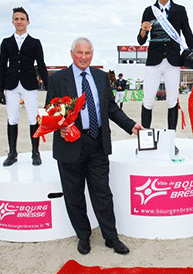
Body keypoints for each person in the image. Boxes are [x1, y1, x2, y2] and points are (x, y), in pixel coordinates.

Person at [46, 37, 143, 255]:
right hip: (69, 145)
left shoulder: (100, 77)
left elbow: (111, 108)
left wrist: (131, 125)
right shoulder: (58, 79)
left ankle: (111, 237)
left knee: (102, 195)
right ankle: (83, 236)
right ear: (72, 54)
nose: (83, 57)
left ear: (92, 55)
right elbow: (49, 111)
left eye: (87, 53)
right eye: (79, 53)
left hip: (97, 144)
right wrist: (59, 125)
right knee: (75, 195)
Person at [137, 0, 193, 130]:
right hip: (153, 62)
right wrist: (143, 31)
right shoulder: (148, 11)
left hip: (173, 61)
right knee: (148, 100)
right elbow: (141, 40)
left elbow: (188, 34)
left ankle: (171, 140)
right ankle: (145, 140)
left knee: (172, 101)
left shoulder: (180, 10)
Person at [0, 7, 48, 167]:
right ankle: (12, 153)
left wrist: (49, 86)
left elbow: (41, 64)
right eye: (16, 19)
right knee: (12, 119)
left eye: (22, 19)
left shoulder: (35, 42)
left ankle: (35, 152)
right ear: (13, 21)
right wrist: (0, 89)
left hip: (29, 84)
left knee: (33, 118)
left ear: (28, 22)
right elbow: (1, 66)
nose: (19, 21)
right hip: (11, 85)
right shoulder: (6, 43)